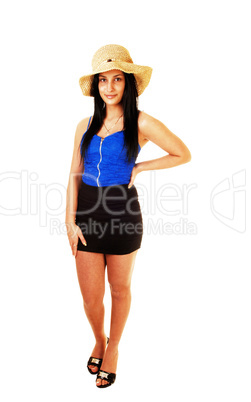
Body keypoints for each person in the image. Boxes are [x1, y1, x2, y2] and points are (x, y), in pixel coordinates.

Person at [65, 44, 191, 388]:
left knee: (119, 289)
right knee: (91, 297)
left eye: (117, 79)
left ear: (128, 83)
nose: (109, 87)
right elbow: (74, 174)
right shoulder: (85, 125)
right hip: (87, 214)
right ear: (96, 86)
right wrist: (69, 222)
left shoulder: (141, 122)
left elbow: (182, 153)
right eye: (103, 80)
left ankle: (114, 348)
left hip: (123, 215)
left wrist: (141, 166)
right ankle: (99, 338)